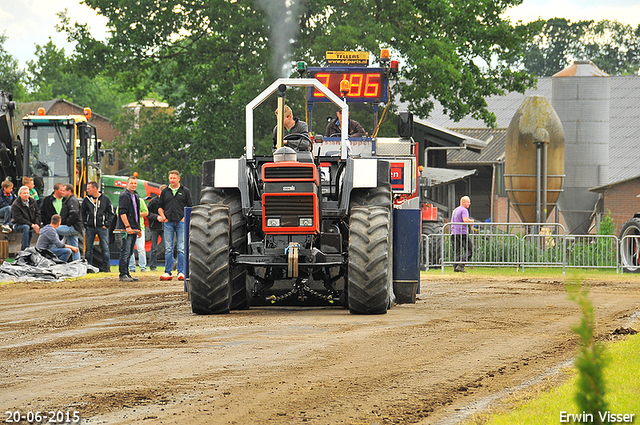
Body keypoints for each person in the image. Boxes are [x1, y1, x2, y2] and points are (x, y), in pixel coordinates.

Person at [158, 170, 192, 281]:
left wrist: (184, 219)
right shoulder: (165, 192)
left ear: (178, 179)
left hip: (180, 222)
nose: (172, 180)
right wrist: (163, 216)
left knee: (181, 248)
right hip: (168, 222)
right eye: (170, 178)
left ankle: (181, 271)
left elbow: (190, 206)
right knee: (168, 248)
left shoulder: (185, 191)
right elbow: (160, 206)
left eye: (174, 178)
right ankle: (168, 272)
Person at [82, 181, 114, 272]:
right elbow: (83, 213)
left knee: (105, 247)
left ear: (95, 188)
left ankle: (106, 267)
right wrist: (86, 224)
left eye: (89, 188)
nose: (87, 190)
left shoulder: (105, 199)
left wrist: (107, 224)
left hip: (102, 227)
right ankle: (88, 268)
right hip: (90, 228)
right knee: (88, 249)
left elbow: (111, 213)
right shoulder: (86, 200)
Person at [115, 176, 142, 282]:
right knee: (125, 251)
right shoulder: (124, 196)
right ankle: (122, 274)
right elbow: (122, 212)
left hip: (134, 228)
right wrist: (127, 226)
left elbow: (136, 215)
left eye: (135, 183)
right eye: (132, 183)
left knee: (130, 251)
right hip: (127, 229)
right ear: (127, 184)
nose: (134, 185)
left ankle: (127, 273)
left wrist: (137, 228)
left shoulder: (136, 196)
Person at [57, 184, 83, 261]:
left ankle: (53, 250)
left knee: (52, 229)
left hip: (72, 227)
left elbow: (74, 213)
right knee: (74, 245)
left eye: (64, 191)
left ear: (69, 191)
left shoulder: (72, 200)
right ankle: (77, 262)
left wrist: (67, 223)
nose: (62, 192)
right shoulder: (69, 200)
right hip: (76, 227)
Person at [11, 185, 41, 250]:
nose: (26, 195)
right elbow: (19, 219)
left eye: (27, 193)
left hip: (31, 223)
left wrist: (36, 224)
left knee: (29, 229)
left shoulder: (33, 201)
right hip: (18, 224)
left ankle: (27, 249)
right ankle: (25, 250)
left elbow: (37, 213)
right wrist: (32, 225)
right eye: (24, 193)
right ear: (20, 194)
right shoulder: (16, 205)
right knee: (26, 227)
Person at [450, 196, 474, 272]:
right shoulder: (464, 210)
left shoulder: (455, 210)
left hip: (454, 232)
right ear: (463, 202)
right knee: (469, 250)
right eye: (468, 202)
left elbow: (451, 221)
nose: (469, 204)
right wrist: (472, 222)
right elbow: (465, 220)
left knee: (457, 250)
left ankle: (456, 267)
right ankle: (461, 265)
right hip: (462, 233)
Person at [146, 185, 166, 272]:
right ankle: (152, 266)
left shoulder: (168, 201)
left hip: (165, 227)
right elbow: (147, 212)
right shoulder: (154, 201)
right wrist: (156, 217)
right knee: (154, 248)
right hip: (155, 227)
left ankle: (170, 266)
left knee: (168, 247)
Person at [128, 196, 148, 273]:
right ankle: (132, 267)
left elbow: (146, 212)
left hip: (140, 227)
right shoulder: (123, 200)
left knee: (141, 249)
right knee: (130, 249)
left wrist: (134, 215)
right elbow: (118, 213)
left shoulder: (140, 201)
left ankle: (143, 267)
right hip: (129, 228)